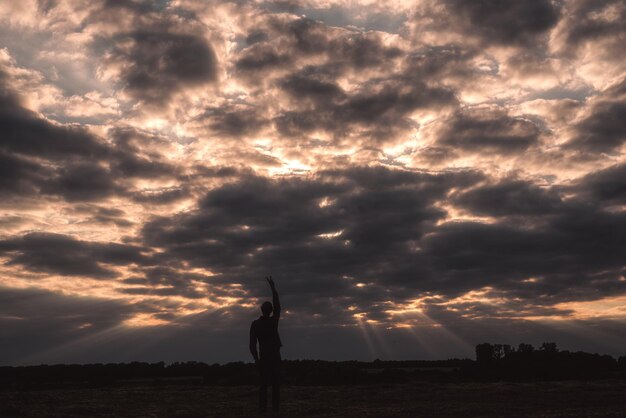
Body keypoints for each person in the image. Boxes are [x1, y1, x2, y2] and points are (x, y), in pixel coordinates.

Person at [249, 276, 282, 414]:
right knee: (275, 385)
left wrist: (256, 360)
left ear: (261, 310)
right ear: (270, 311)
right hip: (274, 356)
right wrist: (273, 288)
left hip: (264, 357)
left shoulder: (255, 324)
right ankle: (275, 410)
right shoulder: (273, 321)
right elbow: (278, 306)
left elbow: (252, 344)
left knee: (263, 385)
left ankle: (262, 409)